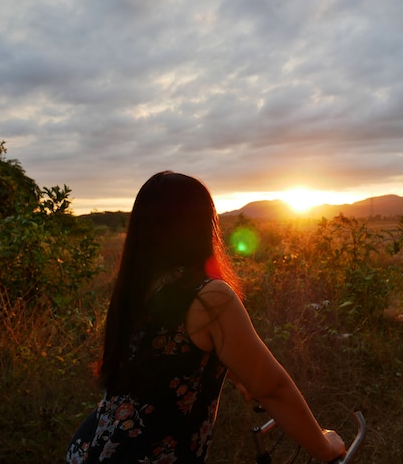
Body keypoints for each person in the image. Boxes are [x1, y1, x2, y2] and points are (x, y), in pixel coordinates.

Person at [66, 171, 345, 463]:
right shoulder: (209, 296)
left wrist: (238, 376)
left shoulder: (139, 285)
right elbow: (273, 387)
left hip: (93, 446)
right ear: (202, 225)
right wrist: (324, 446)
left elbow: (170, 358)